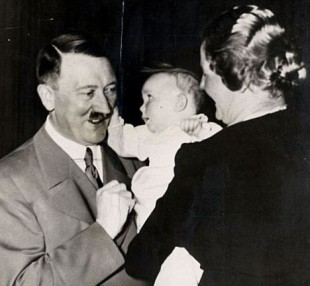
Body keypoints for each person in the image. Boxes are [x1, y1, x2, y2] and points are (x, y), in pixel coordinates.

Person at [126, 5, 310, 286]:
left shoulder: (205, 157)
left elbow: (141, 259)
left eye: (206, 74)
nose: (202, 85)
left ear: (234, 76)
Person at [0, 33, 148, 286]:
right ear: (48, 97)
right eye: (88, 93)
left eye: (110, 90)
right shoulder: (10, 181)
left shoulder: (135, 159)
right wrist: (102, 232)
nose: (104, 106)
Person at [108, 67, 222, 232]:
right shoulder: (148, 134)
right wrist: (113, 121)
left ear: (179, 102)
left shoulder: (199, 126)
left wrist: (199, 132)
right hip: (150, 206)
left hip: (186, 205)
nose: (141, 107)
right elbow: (121, 143)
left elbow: (220, 149)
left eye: (149, 98)